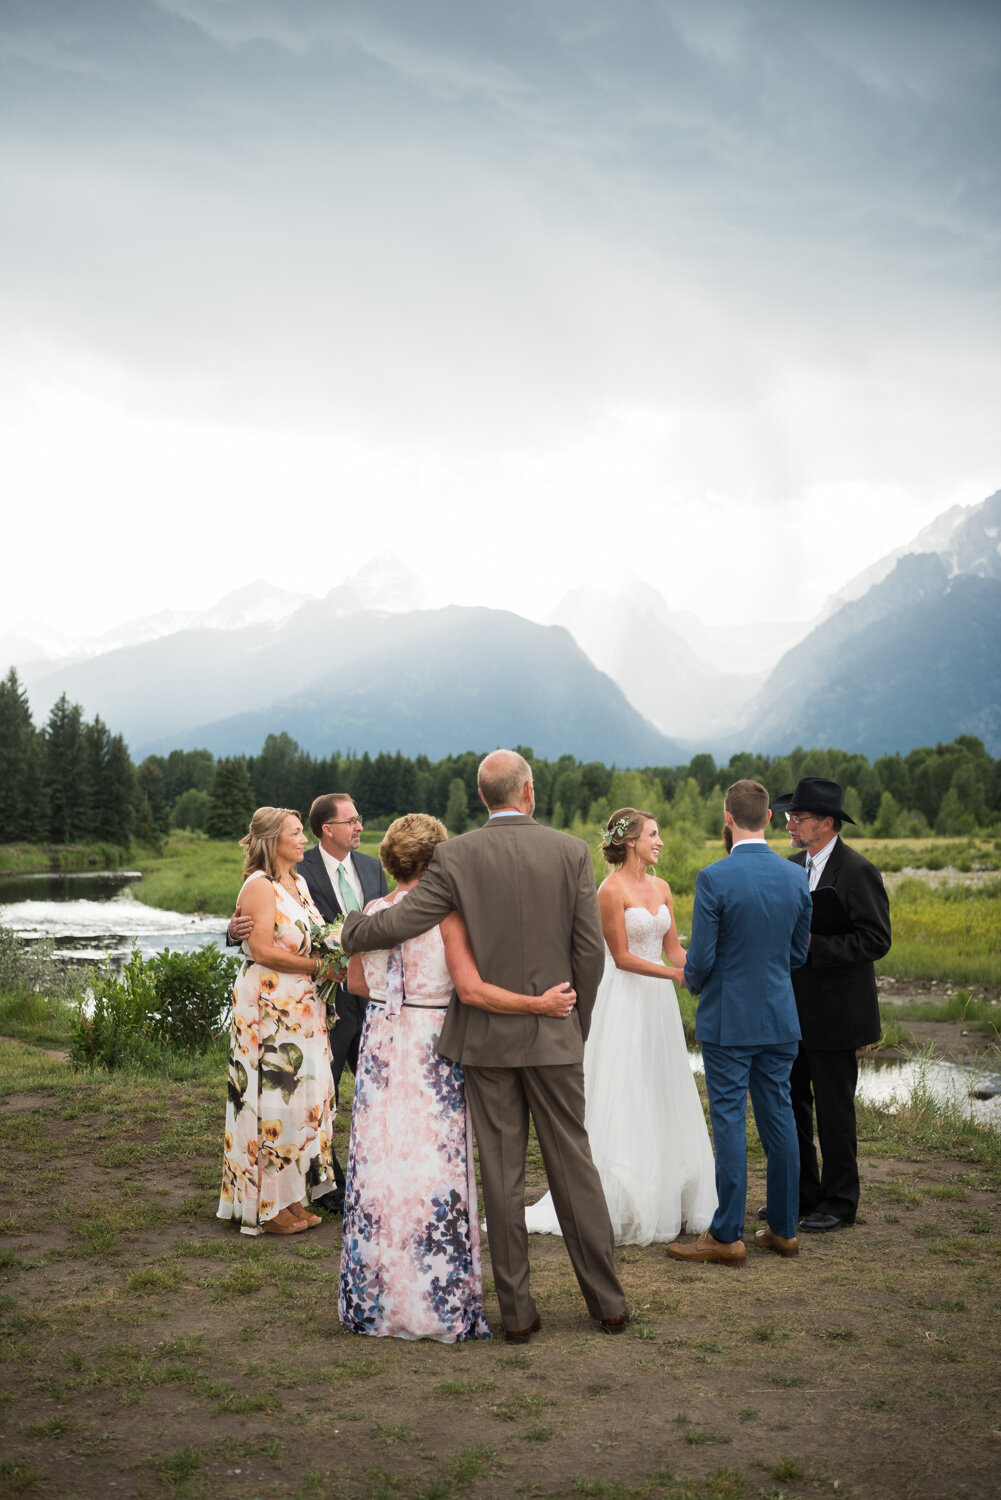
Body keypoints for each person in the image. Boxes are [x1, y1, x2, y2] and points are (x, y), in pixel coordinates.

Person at [340, 750, 628, 1342]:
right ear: (528, 791)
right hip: (554, 1034)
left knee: (502, 1177)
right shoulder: (571, 851)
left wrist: (350, 928)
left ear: (482, 798)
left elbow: (400, 921)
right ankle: (608, 1304)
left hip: (487, 1044)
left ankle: (517, 1316)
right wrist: (575, 1023)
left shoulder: (456, 855)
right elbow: (589, 952)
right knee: (574, 1167)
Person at [524, 808, 717, 1245]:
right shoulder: (609, 891)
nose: (660, 842)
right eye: (653, 834)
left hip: (659, 1005)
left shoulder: (662, 888)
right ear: (631, 841)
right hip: (625, 998)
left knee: (662, 1083)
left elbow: (673, 948)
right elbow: (624, 957)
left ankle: (668, 1186)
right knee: (626, 1085)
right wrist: (674, 975)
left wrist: (703, 968)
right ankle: (620, 1194)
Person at [668, 781, 812, 1266]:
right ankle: (785, 1230)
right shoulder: (795, 876)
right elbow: (797, 954)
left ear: (728, 817)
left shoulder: (715, 877)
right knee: (780, 1119)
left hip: (728, 1019)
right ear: (768, 818)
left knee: (729, 1121)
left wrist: (692, 980)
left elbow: (702, 957)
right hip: (779, 1016)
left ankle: (727, 1234)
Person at [229, 791, 388, 1211]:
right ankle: (324, 1189)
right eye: (350, 820)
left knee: (347, 1098)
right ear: (327, 829)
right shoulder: (290, 873)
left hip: (352, 1002)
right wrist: (233, 931)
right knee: (294, 1096)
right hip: (301, 1003)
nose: (359, 826)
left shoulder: (369, 869)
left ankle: (374, 1177)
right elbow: (260, 932)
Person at [769, 777, 892, 1233]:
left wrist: (814, 945)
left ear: (825, 822)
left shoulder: (858, 871)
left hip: (838, 1014)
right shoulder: (790, 867)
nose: (789, 824)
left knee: (835, 1110)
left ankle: (840, 1202)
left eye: (796, 817)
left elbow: (876, 940)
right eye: (789, 816)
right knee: (792, 1103)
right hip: (791, 1009)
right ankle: (802, 1194)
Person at [217, 807, 339, 1236]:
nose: (304, 839)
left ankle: (290, 1197)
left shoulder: (298, 883)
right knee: (271, 1099)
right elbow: (263, 950)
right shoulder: (259, 885)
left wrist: (331, 954)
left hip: (302, 1008)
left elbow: (312, 937)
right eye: (296, 832)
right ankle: (266, 1206)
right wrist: (318, 967)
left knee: (300, 1100)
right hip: (268, 1008)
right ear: (273, 840)